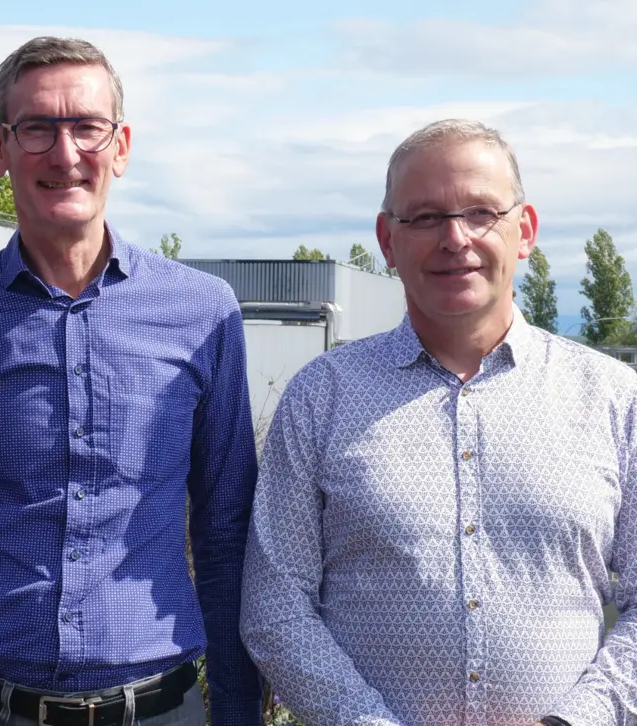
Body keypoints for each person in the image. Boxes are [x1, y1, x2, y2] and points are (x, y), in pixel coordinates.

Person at [0, 35, 263, 726]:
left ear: (121, 146)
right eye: (38, 128)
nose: (65, 152)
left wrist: (237, 713)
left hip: (159, 709)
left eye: (87, 127)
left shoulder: (203, 313)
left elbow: (226, 533)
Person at [240, 118, 636, 726]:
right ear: (387, 240)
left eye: (481, 212)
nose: (455, 238)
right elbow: (275, 605)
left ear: (525, 231)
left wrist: (573, 721)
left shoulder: (612, 398)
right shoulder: (322, 398)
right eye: (425, 217)